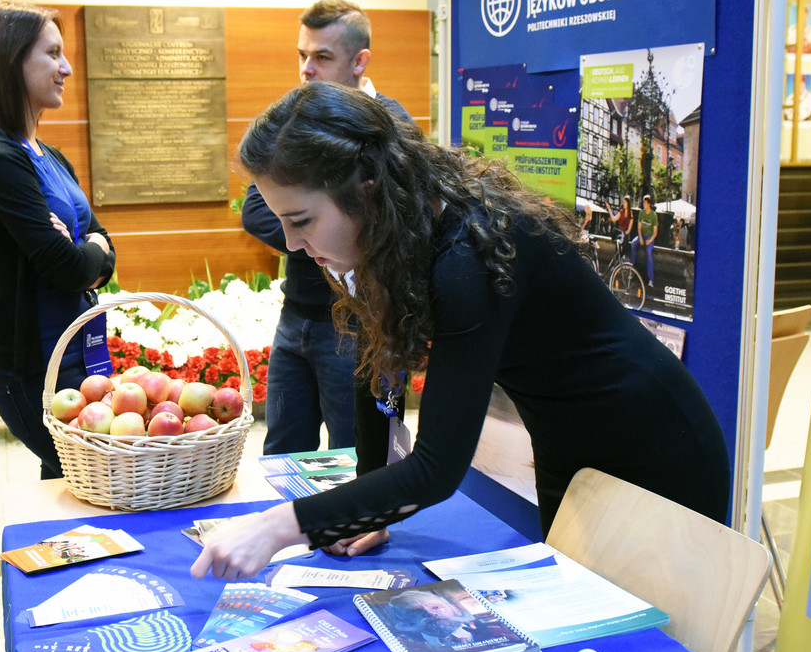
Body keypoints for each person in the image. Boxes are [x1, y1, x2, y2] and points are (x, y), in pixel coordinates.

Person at [191, 82, 730, 582]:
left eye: (302, 220)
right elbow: (377, 365)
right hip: (570, 447)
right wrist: (365, 509)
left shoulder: (466, 256)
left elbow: (436, 468)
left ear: (365, 187)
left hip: (657, 450)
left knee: (655, 637)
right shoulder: (395, 231)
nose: (290, 242)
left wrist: (279, 526)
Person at [240, 0, 413, 456]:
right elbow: (254, 211)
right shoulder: (296, 119)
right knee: (280, 451)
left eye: (321, 56)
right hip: (296, 315)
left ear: (360, 61)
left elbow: (394, 227)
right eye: (301, 55)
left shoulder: (390, 126)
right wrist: (319, 228)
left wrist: (327, 232)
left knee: (357, 452)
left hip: (359, 325)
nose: (306, 69)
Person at [0, 3, 116, 478]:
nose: (66, 68)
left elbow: (102, 248)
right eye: (52, 53)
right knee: (81, 476)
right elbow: (66, 266)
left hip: (81, 352)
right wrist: (86, 252)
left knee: (77, 485)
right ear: (12, 61)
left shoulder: (51, 156)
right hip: (36, 363)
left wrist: (88, 250)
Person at [635, 193, 659, 286]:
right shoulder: (641, 213)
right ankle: (631, 270)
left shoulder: (653, 215)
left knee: (649, 253)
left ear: (649, 204)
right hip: (642, 235)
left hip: (649, 237)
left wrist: (650, 240)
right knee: (633, 244)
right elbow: (639, 228)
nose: (643, 204)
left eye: (645, 203)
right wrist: (640, 238)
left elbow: (655, 232)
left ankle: (651, 279)